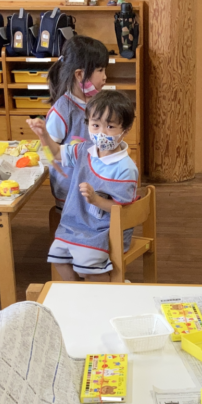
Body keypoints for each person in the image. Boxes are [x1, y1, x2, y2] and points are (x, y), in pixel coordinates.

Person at [28, 90, 138, 281]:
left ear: (125, 129)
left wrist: (95, 200)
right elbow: (55, 154)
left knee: (86, 266)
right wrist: (44, 134)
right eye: (95, 125)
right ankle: (79, 292)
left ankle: (106, 293)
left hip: (106, 230)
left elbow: (122, 209)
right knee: (58, 256)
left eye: (110, 127)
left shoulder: (125, 168)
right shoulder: (83, 150)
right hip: (76, 224)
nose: (101, 133)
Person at [45, 35, 109, 212]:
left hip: (94, 182)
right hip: (71, 188)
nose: (105, 77)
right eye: (100, 70)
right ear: (79, 74)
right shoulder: (63, 110)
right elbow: (50, 149)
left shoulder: (96, 102)